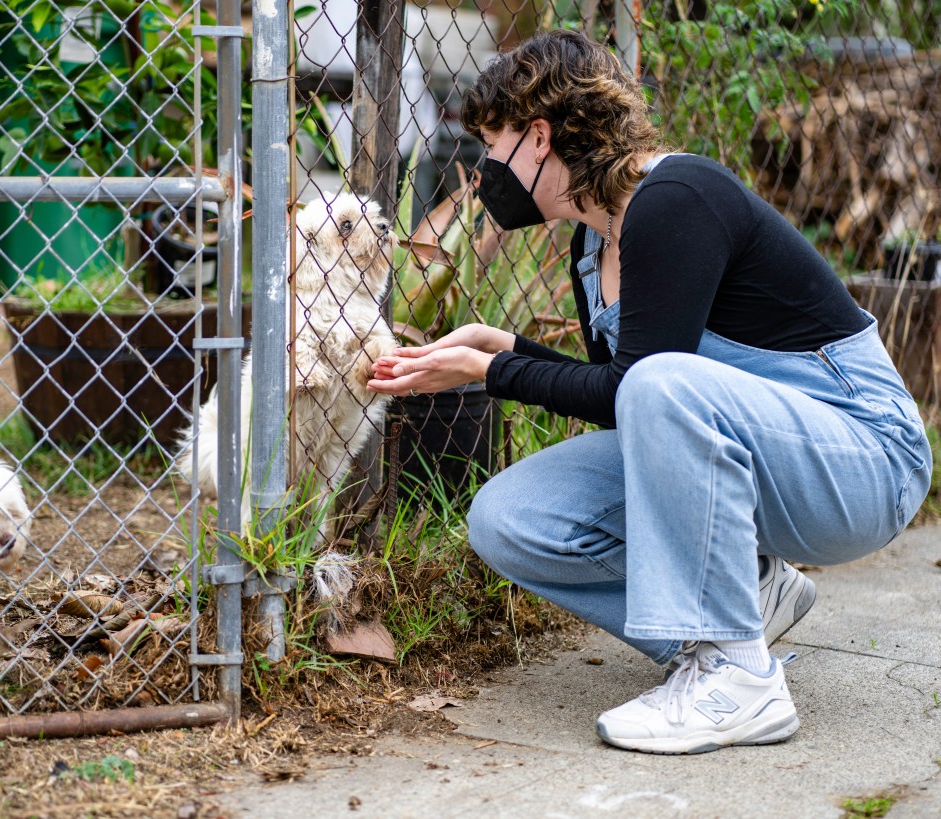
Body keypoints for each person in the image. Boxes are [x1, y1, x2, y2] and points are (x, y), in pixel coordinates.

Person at [367, 29, 931, 755]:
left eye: (492, 141)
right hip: (772, 467)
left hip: (865, 461)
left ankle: (737, 677)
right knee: (508, 518)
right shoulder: (592, 245)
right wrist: (504, 348)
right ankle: (749, 597)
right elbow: (622, 392)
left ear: (539, 137)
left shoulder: (674, 200)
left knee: (661, 385)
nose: (485, 168)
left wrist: (494, 371)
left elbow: (644, 383)